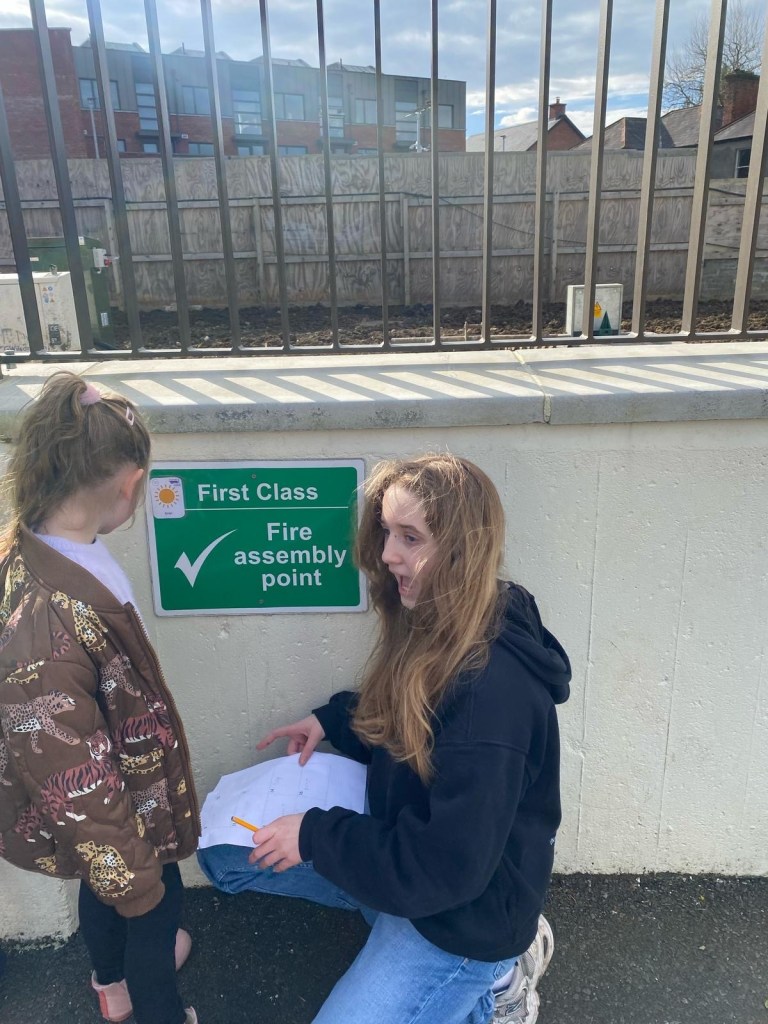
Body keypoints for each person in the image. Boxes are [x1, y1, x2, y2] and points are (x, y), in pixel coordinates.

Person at [198, 452, 570, 1024]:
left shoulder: (492, 699)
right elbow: (412, 718)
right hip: (418, 862)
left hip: (462, 920)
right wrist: (334, 721)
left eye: (410, 537)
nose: (389, 553)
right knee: (227, 858)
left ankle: (498, 980)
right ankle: (403, 924)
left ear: (463, 551)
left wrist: (316, 835)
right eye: (387, 532)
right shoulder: (446, 618)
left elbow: (446, 867)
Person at [0, 372, 200, 1024]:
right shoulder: (45, 622)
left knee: (103, 883)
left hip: (113, 791)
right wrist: (136, 876)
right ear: (130, 483)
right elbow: (68, 775)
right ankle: (154, 1007)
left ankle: (112, 987)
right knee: (152, 905)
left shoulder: (49, 548)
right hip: (107, 803)